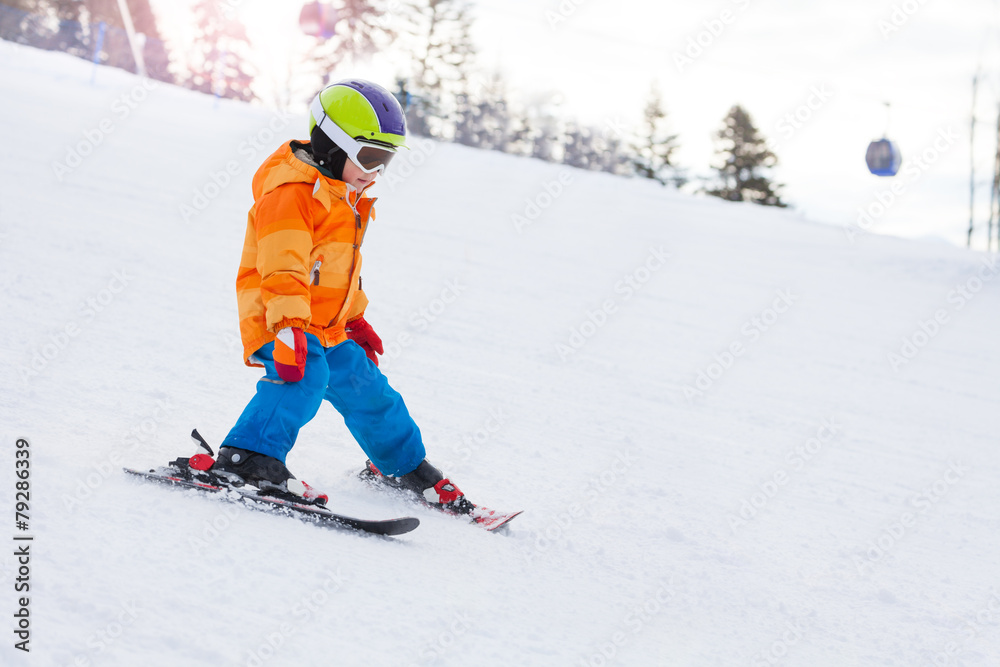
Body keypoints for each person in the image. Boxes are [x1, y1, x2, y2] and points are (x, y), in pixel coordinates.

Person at [211, 78, 472, 514]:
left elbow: (338, 271)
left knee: (370, 390)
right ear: (332, 144)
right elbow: (283, 268)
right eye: (368, 156)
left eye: (384, 160)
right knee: (304, 378)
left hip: (326, 326)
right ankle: (249, 458)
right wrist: (290, 328)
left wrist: (354, 319)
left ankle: (403, 465)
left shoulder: (345, 195)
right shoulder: (292, 195)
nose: (374, 171)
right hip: (281, 320)